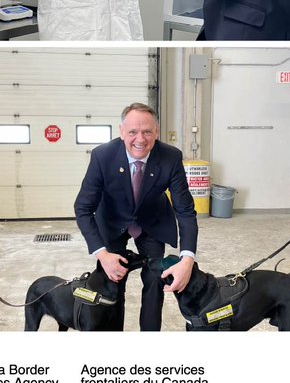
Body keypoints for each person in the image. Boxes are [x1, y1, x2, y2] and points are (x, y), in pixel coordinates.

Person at [73, 103, 198, 331]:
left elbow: (185, 210)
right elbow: (82, 208)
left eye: (147, 131)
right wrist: (102, 254)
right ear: (121, 131)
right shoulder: (103, 156)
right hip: (112, 222)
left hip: (152, 221)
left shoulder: (171, 157)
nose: (140, 139)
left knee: (155, 283)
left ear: (156, 132)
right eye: (132, 132)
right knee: (112, 284)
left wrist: (187, 259)